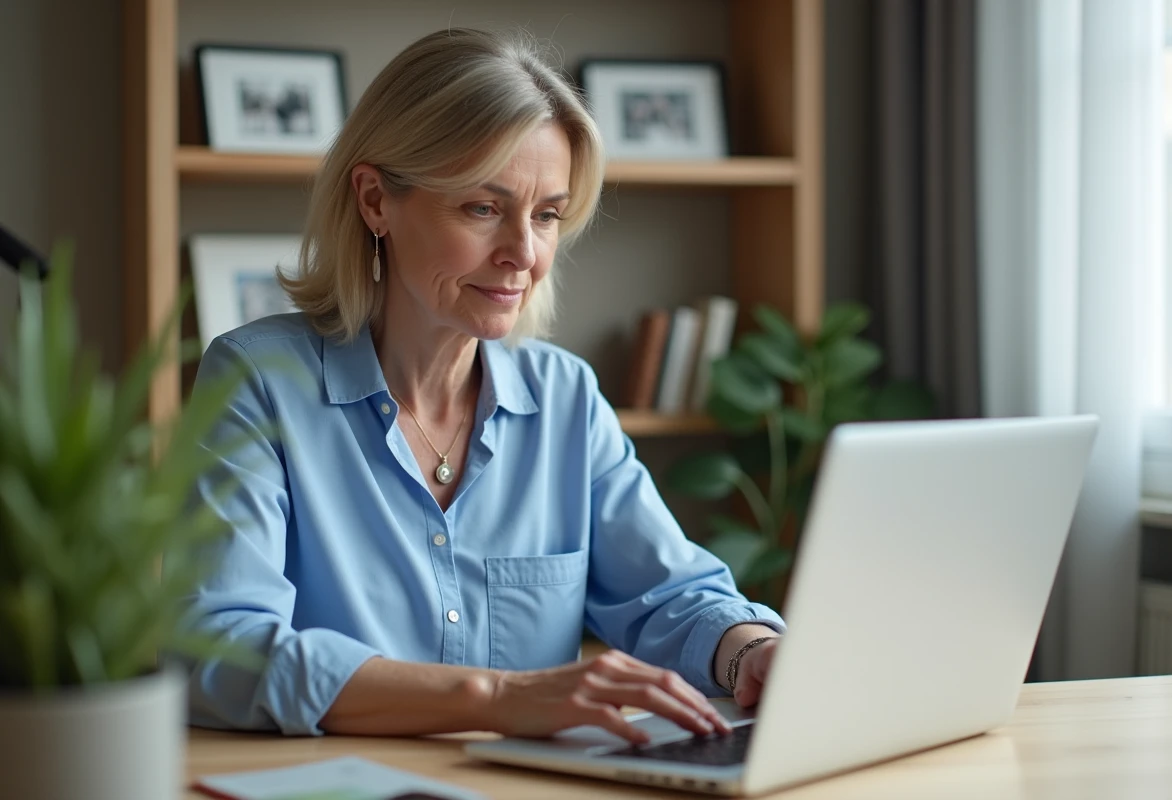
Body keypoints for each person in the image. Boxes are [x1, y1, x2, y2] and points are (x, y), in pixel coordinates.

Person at [180, 28, 784, 744]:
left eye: (547, 214)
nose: (524, 254)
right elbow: (219, 647)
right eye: (482, 208)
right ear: (375, 200)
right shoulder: (258, 380)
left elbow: (670, 596)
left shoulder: (565, 396)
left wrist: (753, 651)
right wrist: (493, 697)